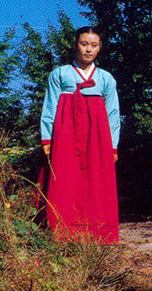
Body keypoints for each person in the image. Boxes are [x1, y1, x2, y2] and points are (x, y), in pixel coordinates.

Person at [38, 26, 120, 244]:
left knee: (96, 181)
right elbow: (50, 106)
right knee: (64, 180)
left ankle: (97, 234)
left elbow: (113, 113)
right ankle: (62, 232)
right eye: (84, 44)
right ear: (76, 45)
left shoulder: (106, 79)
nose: (88, 50)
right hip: (65, 132)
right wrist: (47, 138)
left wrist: (113, 145)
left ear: (100, 48)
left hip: (97, 135)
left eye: (94, 45)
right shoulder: (60, 74)